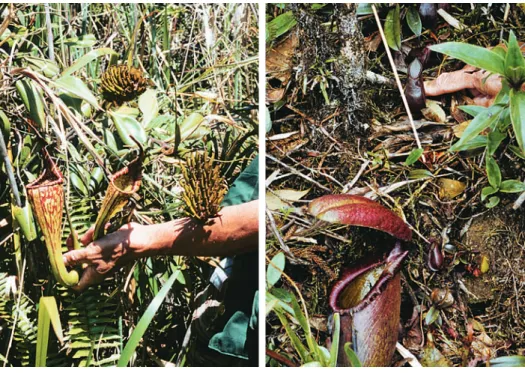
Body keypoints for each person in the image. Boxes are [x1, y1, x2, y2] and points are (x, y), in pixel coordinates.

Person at [63, 155, 259, 366]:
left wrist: (135, 242)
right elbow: (224, 215)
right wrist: (122, 231)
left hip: (244, 336)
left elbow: (253, 224)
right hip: (222, 301)